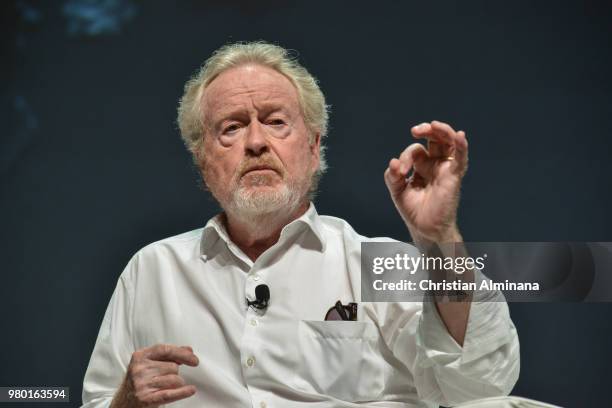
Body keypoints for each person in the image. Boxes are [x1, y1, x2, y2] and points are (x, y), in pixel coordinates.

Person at [82, 41, 520, 408]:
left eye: (276, 122)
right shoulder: (153, 270)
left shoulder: (374, 262)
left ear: (313, 147)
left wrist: (438, 239)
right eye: (231, 128)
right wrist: (123, 401)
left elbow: (480, 386)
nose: (256, 142)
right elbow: (100, 400)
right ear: (202, 159)